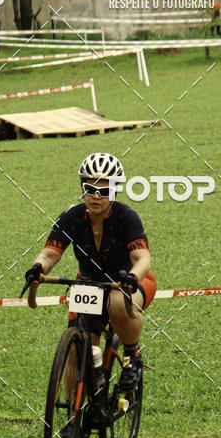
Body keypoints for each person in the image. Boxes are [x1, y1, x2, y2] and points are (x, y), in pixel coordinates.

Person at [23, 153, 156, 392]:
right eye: (90, 189)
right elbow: (49, 254)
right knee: (76, 351)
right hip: (89, 285)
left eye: (104, 191)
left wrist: (132, 277)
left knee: (117, 302)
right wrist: (37, 268)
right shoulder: (72, 217)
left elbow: (142, 258)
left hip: (131, 280)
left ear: (114, 192)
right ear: (82, 189)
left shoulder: (126, 217)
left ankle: (132, 356)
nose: (96, 196)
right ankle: (73, 412)